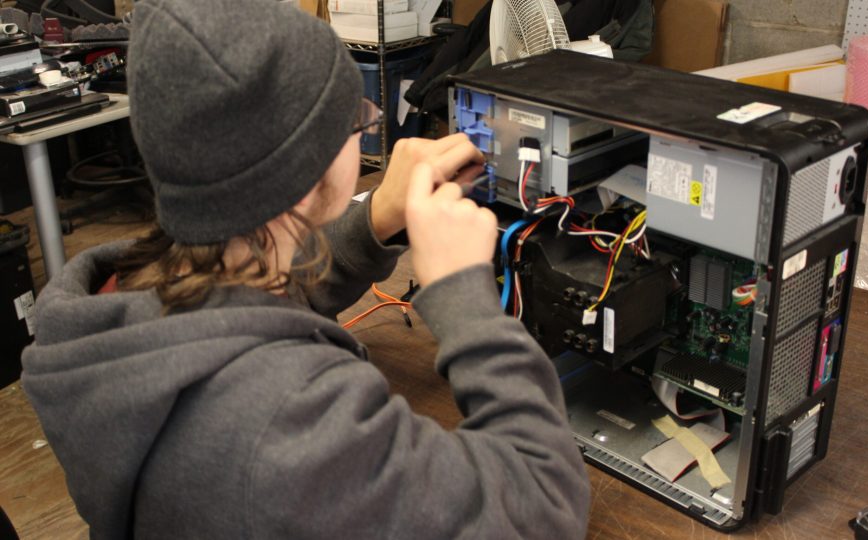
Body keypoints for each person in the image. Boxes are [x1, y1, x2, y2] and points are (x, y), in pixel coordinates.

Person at [21, 0, 591, 538]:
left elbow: (244, 317)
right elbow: (544, 503)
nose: (368, 128)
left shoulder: (113, 305)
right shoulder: (291, 424)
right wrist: (462, 298)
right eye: (354, 120)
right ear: (301, 170)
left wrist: (374, 224)